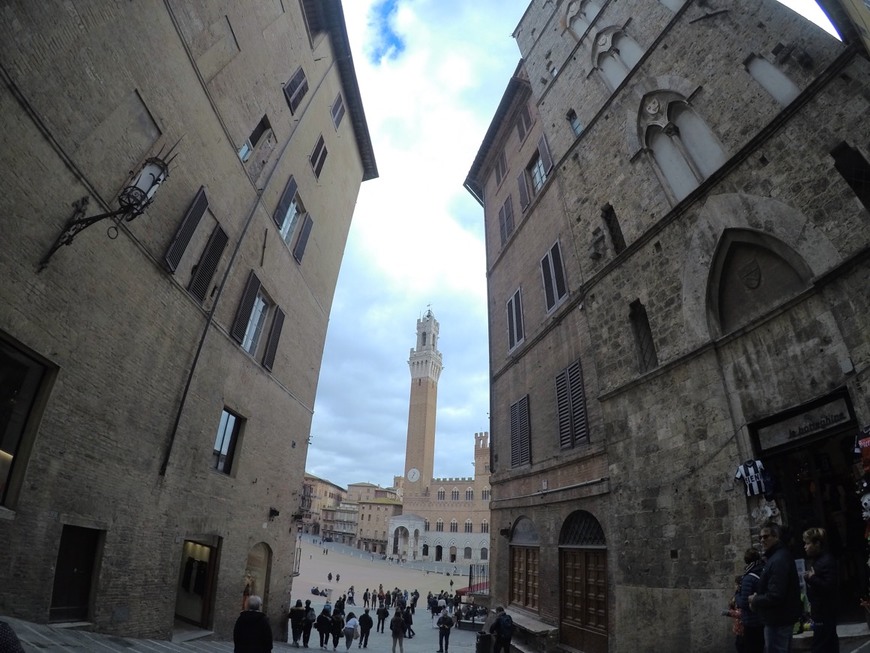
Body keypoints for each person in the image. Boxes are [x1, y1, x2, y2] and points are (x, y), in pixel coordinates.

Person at [749, 522, 802, 653]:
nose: (762, 540)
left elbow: (775, 595)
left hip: (778, 620)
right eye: (760, 537)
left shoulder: (778, 560)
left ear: (776, 536)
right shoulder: (775, 557)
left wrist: (755, 600)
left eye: (766, 537)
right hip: (777, 619)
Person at [803, 527, 839, 653]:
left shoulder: (826, 561)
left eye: (808, 543)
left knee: (821, 646)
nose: (805, 547)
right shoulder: (818, 560)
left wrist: (812, 578)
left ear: (817, 544)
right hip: (821, 611)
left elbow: (829, 586)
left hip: (825, 611)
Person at [737, 548, 765, 653]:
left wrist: (737, 596)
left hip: (751, 621)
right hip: (763, 619)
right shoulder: (763, 572)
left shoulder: (748, 578)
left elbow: (744, 603)